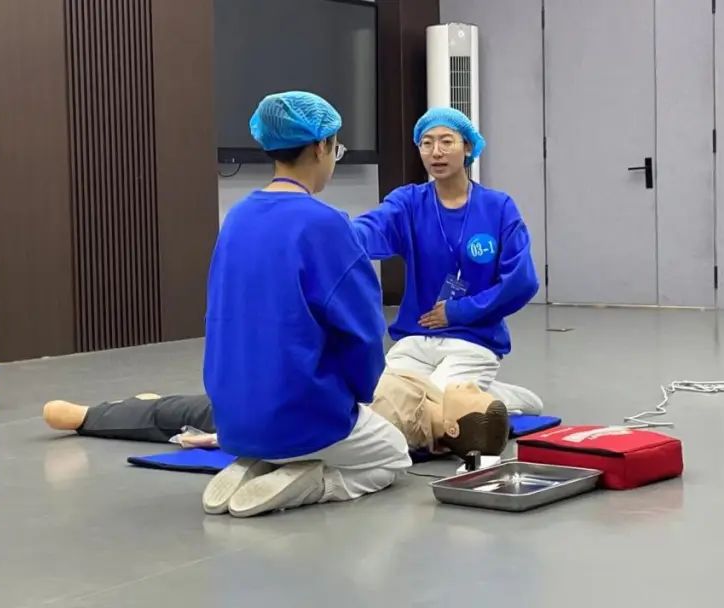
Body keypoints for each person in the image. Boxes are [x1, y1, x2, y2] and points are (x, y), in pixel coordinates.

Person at [200, 91, 406, 518]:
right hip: (302, 416)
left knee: (281, 430)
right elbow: (363, 331)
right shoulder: (325, 224)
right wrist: (362, 394)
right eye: (336, 147)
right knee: (394, 454)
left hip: (231, 421)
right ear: (320, 147)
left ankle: (255, 464)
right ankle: (314, 481)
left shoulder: (236, 218)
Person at [352, 107, 544, 414]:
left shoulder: (498, 207)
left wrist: (459, 311)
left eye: (446, 141)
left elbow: (522, 281)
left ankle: (488, 399)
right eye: (426, 143)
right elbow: (372, 227)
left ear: (467, 146)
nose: (436, 152)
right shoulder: (409, 202)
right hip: (415, 339)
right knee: (381, 404)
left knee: (429, 409)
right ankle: (483, 395)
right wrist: (334, 233)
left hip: (472, 339)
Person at [41, 371, 511, 459]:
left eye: (471, 395)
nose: (471, 386)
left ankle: (87, 416)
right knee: (183, 403)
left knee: (178, 412)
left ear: (452, 426)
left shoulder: (401, 422)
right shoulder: (431, 397)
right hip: (285, 387)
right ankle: (142, 405)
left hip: (275, 410)